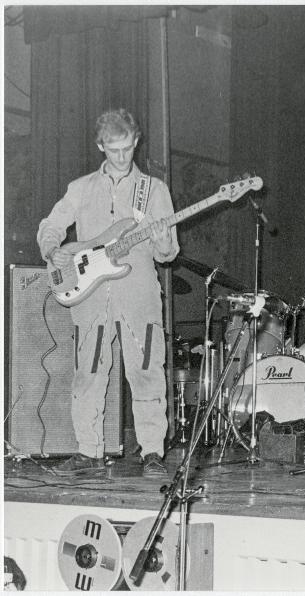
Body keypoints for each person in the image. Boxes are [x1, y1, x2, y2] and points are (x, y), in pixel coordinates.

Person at [37, 108, 179, 478]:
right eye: (113, 150)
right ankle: (89, 452)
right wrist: (52, 250)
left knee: (147, 372)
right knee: (88, 374)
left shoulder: (154, 190)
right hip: (91, 298)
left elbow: (167, 255)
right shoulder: (81, 188)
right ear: (101, 146)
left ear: (136, 142)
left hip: (139, 297)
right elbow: (52, 224)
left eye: (127, 148)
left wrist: (163, 241)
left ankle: (152, 452)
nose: (121, 157)